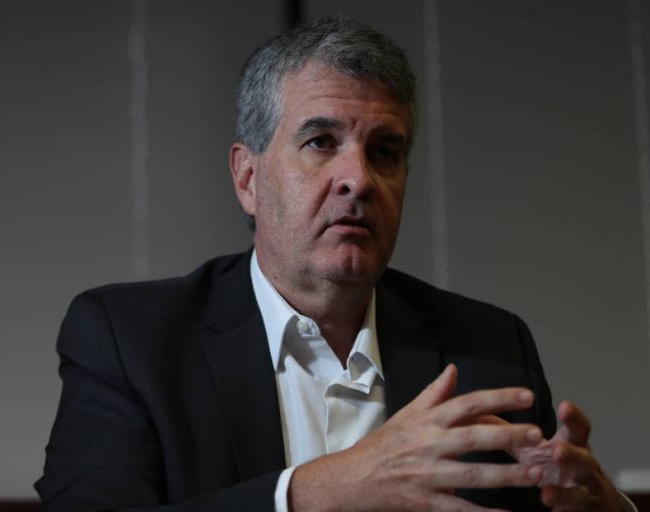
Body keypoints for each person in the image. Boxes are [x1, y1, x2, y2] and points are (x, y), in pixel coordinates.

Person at [35, 17, 632, 512]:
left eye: (384, 152)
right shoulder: (130, 339)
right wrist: (317, 491)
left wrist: (601, 507)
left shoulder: (489, 347)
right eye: (321, 142)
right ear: (247, 177)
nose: (359, 179)